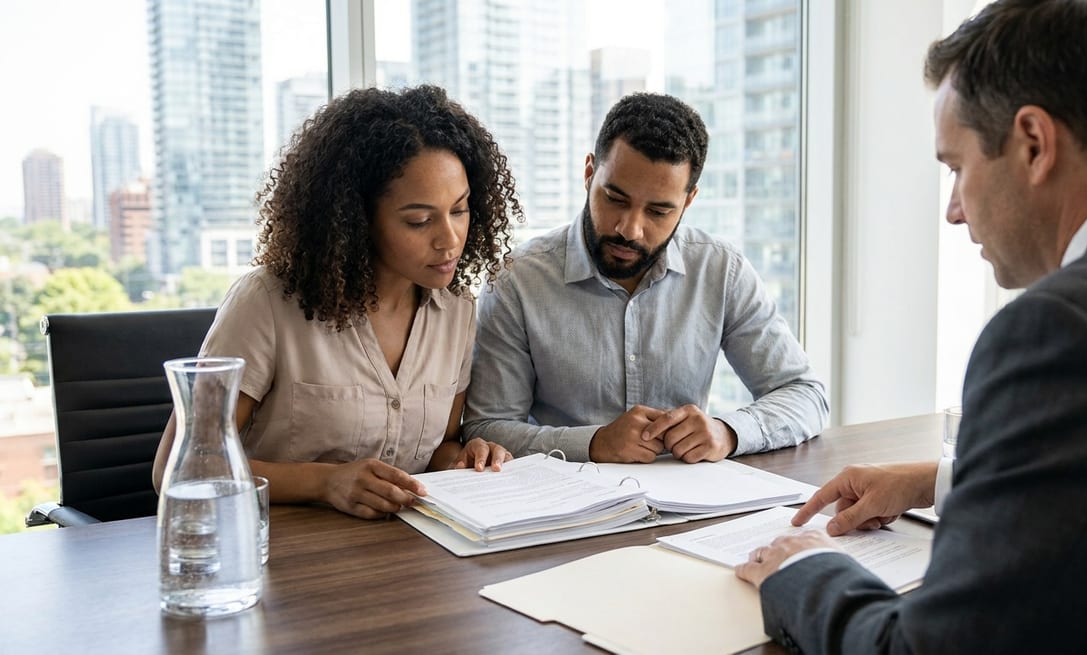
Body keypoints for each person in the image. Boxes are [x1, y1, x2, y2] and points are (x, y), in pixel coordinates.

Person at [735, 1, 1087, 652]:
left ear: (1034, 143)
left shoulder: (1067, 328)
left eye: (956, 167)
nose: (953, 210)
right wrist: (947, 479)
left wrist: (803, 567)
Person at [152, 85, 522, 520]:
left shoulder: (456, 307)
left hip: (407, 555)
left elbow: (439, 446)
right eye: (419, 220)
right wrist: (325, 482)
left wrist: (465, 460)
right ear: (356, 219)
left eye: (459, 210)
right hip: (280, 554)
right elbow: (182, 468)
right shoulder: (268, 303)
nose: (450, 239)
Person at [462, 92, 829, 464]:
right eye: (615, 199)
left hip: (690, 509)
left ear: (688, 201)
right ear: (589, 174)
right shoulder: (517, 279)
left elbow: (805, 395)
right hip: (564, 506)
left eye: (658, 211)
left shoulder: (721, 270)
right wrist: (595, 443)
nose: (630, 229)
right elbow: (486, 427)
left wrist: (729, 431)